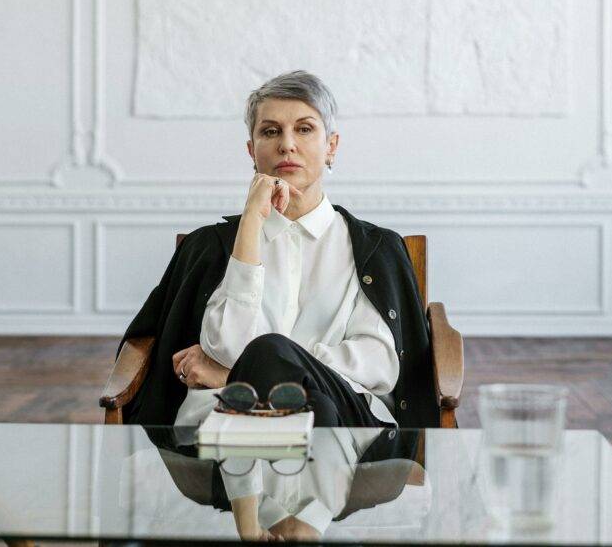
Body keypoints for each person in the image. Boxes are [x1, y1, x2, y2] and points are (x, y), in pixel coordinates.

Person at [117, 70, 440, 429]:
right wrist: (252, 222)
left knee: (290, 372)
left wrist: (239, 374)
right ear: (251, 150)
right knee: (309, 403)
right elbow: (227, 345)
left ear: (331, 146)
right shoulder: (208, 247)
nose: (287, 144)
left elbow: (378, 362)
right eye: (270, 131)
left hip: (344, 419)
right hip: (231, 423)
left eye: (304, 129)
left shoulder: (375, 249)